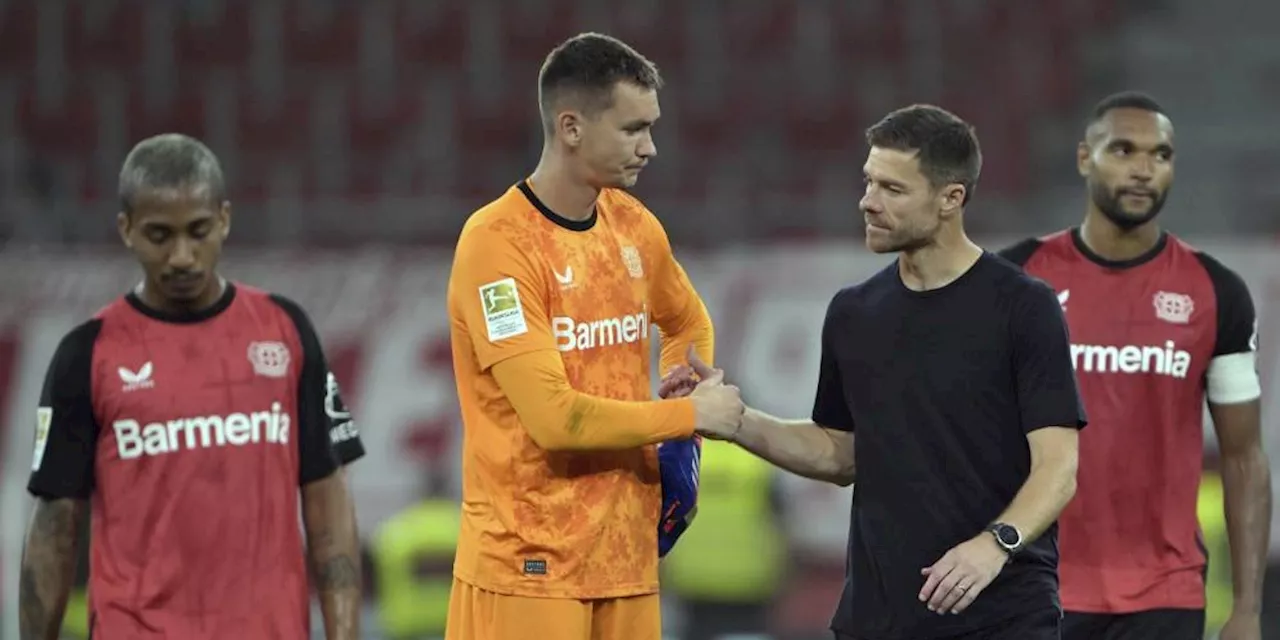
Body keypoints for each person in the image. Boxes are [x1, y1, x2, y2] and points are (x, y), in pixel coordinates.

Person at [663, 104, 1087, 640]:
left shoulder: (1024, 307)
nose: (868, 201)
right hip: (878, 618)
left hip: (1001, 617)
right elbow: (839, 453)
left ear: (950, 198)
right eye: (868, 182)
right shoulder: (855, 312)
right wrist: (736, 421)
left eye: (893, 189)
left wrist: (994, 543)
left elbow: (1058, 468)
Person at [443, 32, 743, 640]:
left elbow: (687, 321)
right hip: (530, 565)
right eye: (634, 129)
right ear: (572, 127)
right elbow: (554, 419)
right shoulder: (497, 246)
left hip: (626, 558)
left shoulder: (633, 226)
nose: (651, 147)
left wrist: (684, 407)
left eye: (651, 127)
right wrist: (686, 416)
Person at [18, 134, 367, 640]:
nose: (182, 256)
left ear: (224, 219)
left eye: (198, 231)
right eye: (160, 235)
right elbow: (54, 525)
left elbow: (327, 499)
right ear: (127, 229)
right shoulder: (86, 354)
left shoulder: (285, 331)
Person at [998, 91, 1271, 640]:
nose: (1144, 169)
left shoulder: (1217, 293)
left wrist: (1246, 610)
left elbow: (1244, 458)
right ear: (1083, 158)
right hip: (1035, 586)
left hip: (1164, 594)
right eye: (1123, 150)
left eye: (1161, 155)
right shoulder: (1017, 279)